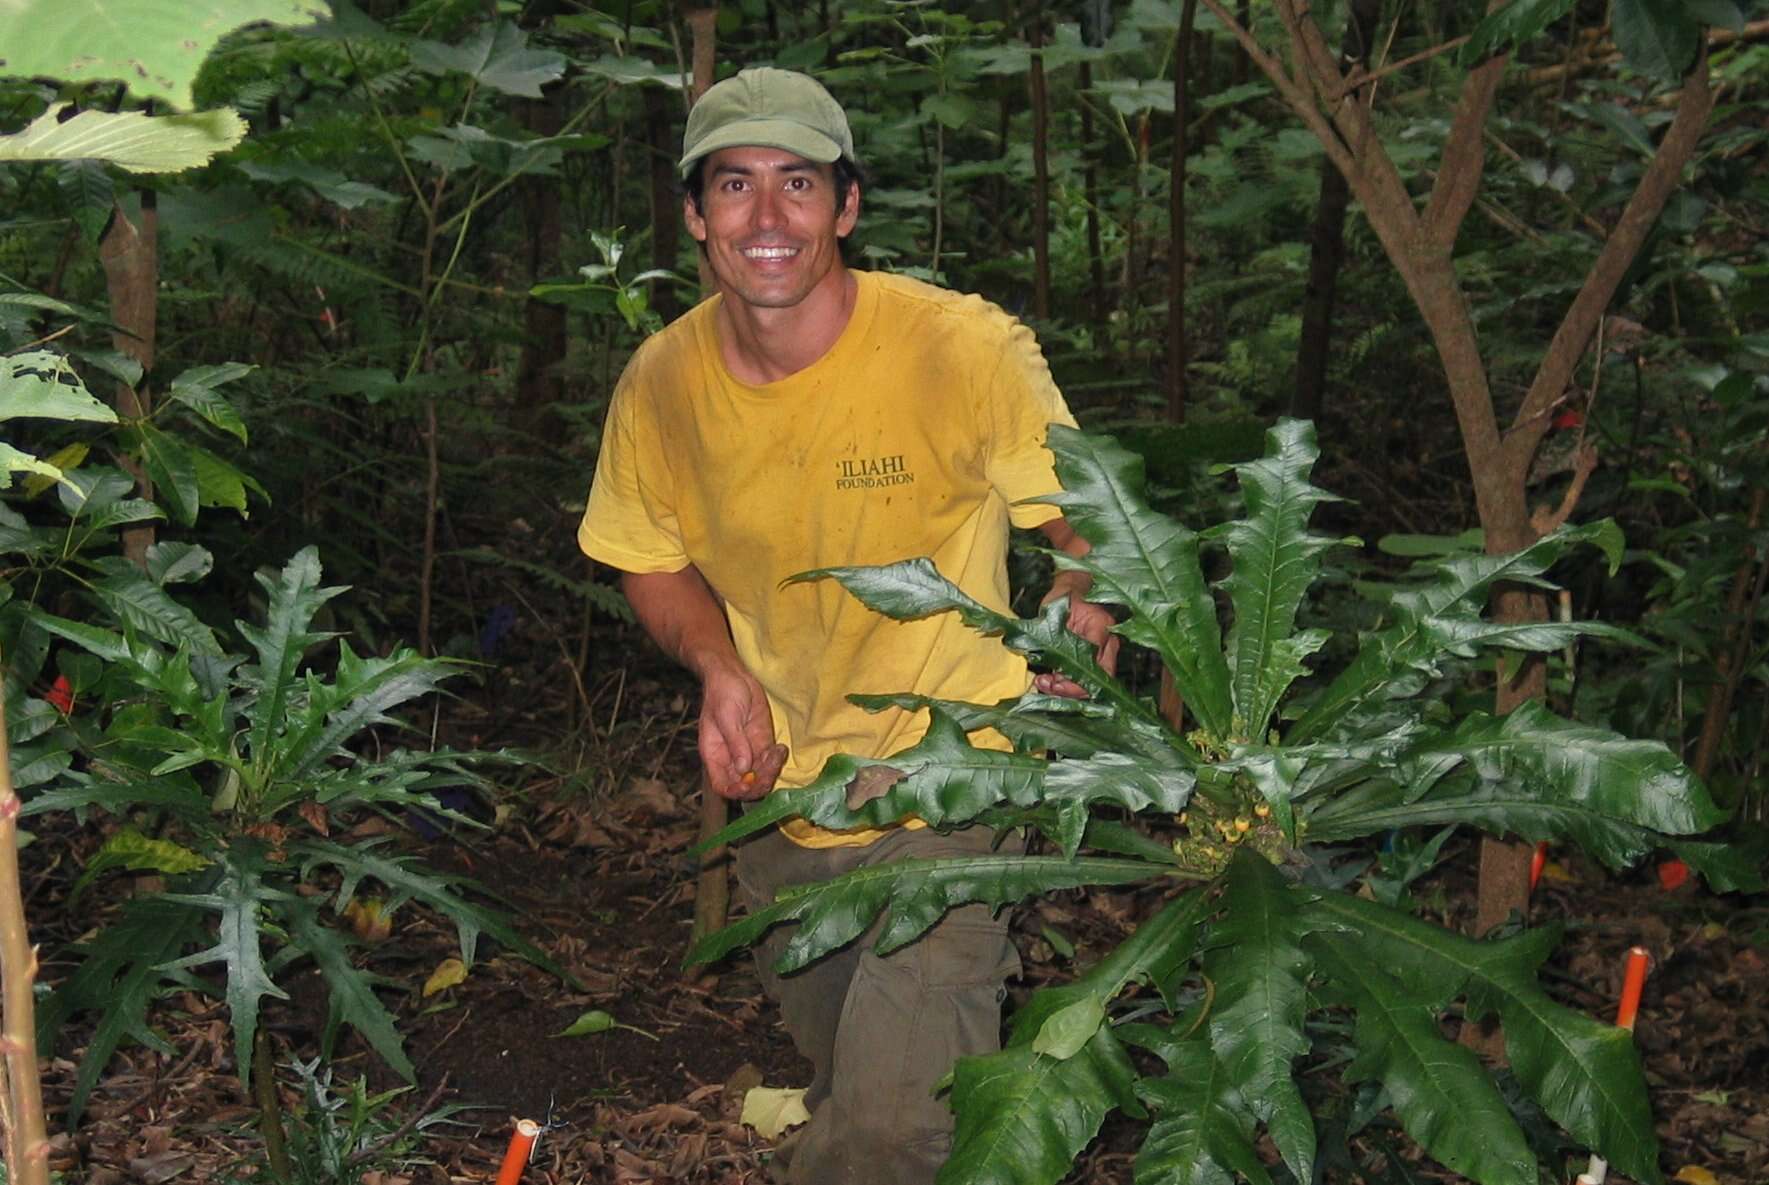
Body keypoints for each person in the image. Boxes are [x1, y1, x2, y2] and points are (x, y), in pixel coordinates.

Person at [578, 66, 1117, 1185]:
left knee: (882, 1133)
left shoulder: (959, 347)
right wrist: (716, 666)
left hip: (957, 773)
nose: (766, 219)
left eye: (797, 184)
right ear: (693, 214)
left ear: (846, 206)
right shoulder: (662, 382)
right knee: (849, 1084)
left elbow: (1088, 524)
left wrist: (1082, 601)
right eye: (734, 186)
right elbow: (645, 554)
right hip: (783, 793)